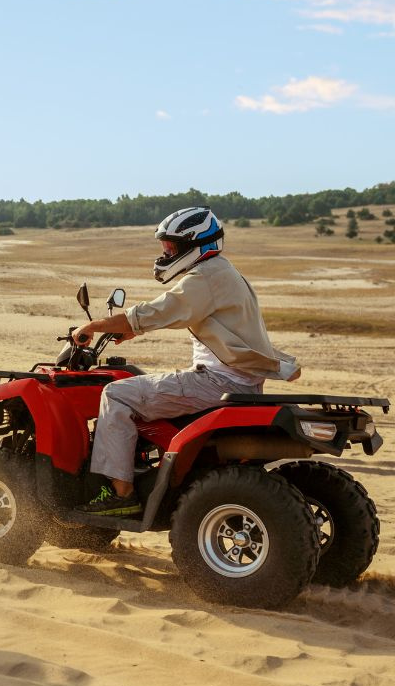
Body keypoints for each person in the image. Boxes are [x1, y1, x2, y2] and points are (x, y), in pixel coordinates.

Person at [69, 207, 300, 517]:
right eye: (165, 246)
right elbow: (184, 314)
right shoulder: (223, 272)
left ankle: (121, 495)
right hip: (239, 380)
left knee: (116, 394)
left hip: (216, 382)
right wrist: (130, 331)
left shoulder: (206, 276)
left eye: (172, 247)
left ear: (198, 244)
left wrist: (94, 326)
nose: (166, 253)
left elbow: (162, 309)